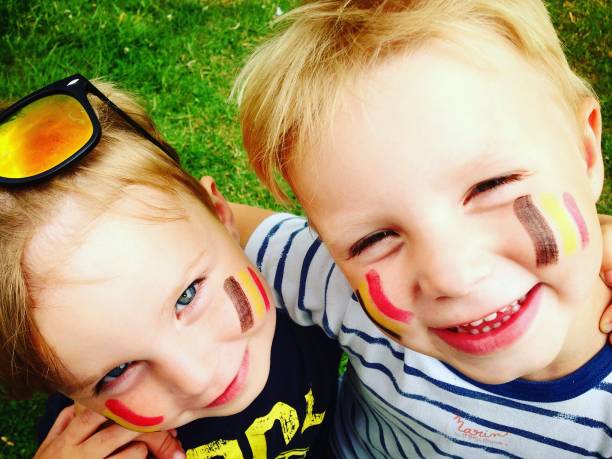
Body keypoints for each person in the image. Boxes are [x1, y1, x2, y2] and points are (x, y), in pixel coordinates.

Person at [233, 0, 612, 456]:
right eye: (375, 239)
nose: (451, 275)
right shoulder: (342, 287)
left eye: (492, 185)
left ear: (586, 153)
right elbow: (196, 227)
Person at [0, 75, 341, 458]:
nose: (197, 377)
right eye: (117, 371)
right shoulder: (95, 448)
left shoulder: (316, 295)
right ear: (60, 387)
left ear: (223, 218)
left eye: (188, 295)